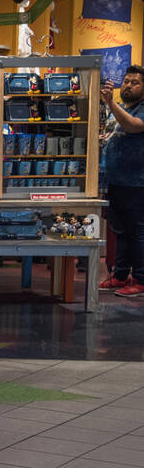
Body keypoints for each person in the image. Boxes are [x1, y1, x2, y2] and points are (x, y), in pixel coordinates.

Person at [99, 66, 144, 296]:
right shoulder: (121, 109)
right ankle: (119, 275)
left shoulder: (139, 110)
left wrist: (111, 104)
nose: (128, 85)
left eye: (135, 82)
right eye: (126, 81)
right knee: (120, 231)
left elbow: (132, 126)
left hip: (137, 183)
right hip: (115, 181)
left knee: (137, 232)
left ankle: (141, 279)